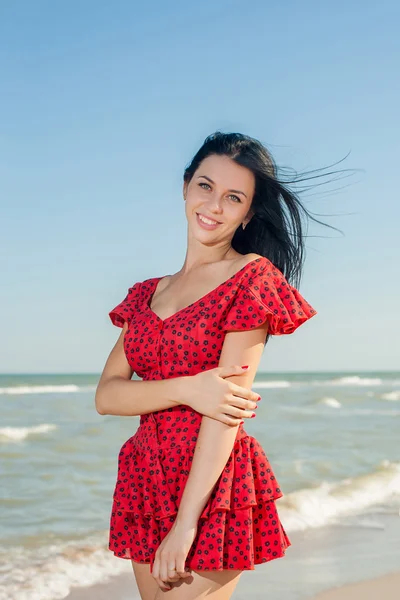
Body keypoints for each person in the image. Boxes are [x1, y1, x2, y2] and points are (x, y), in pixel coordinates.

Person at [95, 131, 321, 600]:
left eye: (233, 197)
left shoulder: (251, 278)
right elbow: (107, 395)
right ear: (185, 187)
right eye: (205, 186)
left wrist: (185, 524)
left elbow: (224, 414)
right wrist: (189, 387)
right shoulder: (145, 293)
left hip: (212, 487)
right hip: (144, 478)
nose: (214, 206)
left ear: (248, 213)